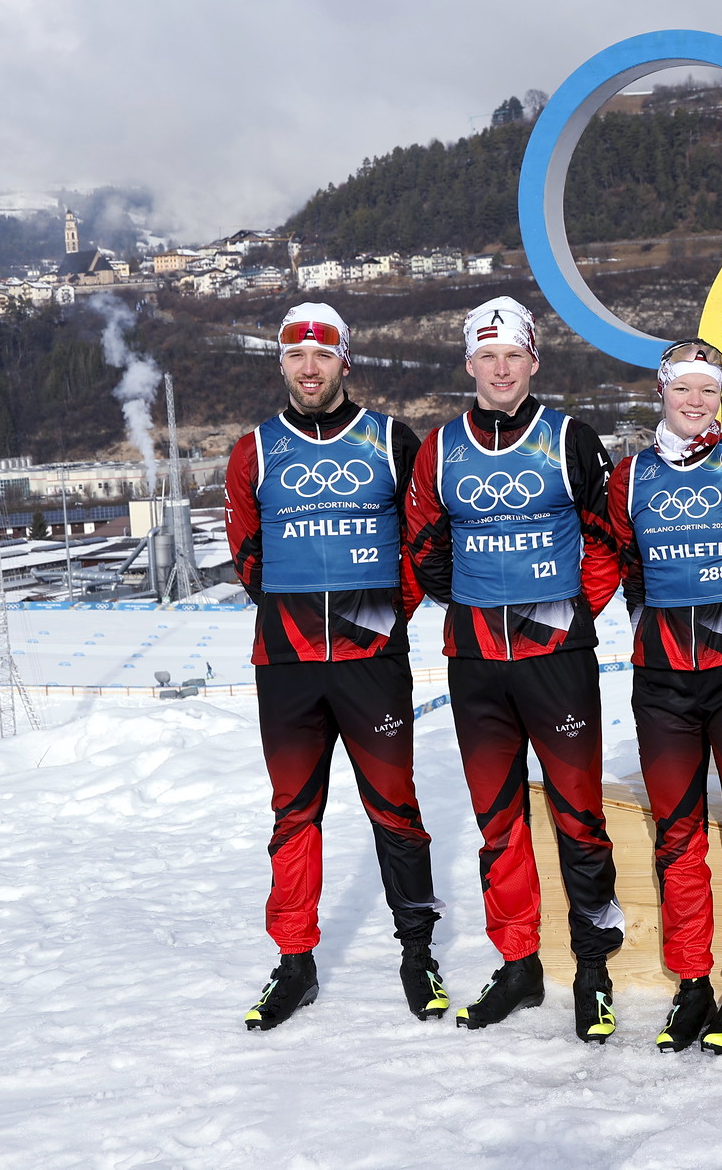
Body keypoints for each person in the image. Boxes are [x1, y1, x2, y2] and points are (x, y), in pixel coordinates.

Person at [402, 298, 624, 1040]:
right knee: (498, 822)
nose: (501, 369)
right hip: (475, 666)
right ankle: (519, 963)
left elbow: (606, 540)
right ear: (470, 363)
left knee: (579, 819)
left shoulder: (570, 438)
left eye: (513, 355)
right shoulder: (440, 447)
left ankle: (592, 970)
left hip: (556, 661)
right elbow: (424, 542)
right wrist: (472, 602)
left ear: (534, 360)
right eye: (487, 355)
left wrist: (563, 614)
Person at [226, 302, 444, 1030]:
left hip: (371, 661)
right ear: (281, 362)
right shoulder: (253, 450)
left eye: (323, 353)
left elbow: (420, 544)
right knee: (294, 814)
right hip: (287, 663)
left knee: (395, 809)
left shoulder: (391, 439)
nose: (310, 367)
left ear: (345, 359)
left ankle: (418, 953)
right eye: (296, 354)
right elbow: (247, 554)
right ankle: (295, 962)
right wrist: (295, 617)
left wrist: (378, 618)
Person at [607, 339, 722, 1055]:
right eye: (683, 388)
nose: (695, 401)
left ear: (721, 398)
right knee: (676, 835)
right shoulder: (630, 476)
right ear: (662, 391)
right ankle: (691, 982)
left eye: (707, 390)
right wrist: (651, 632)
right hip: (661, 685)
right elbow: (628, 567)